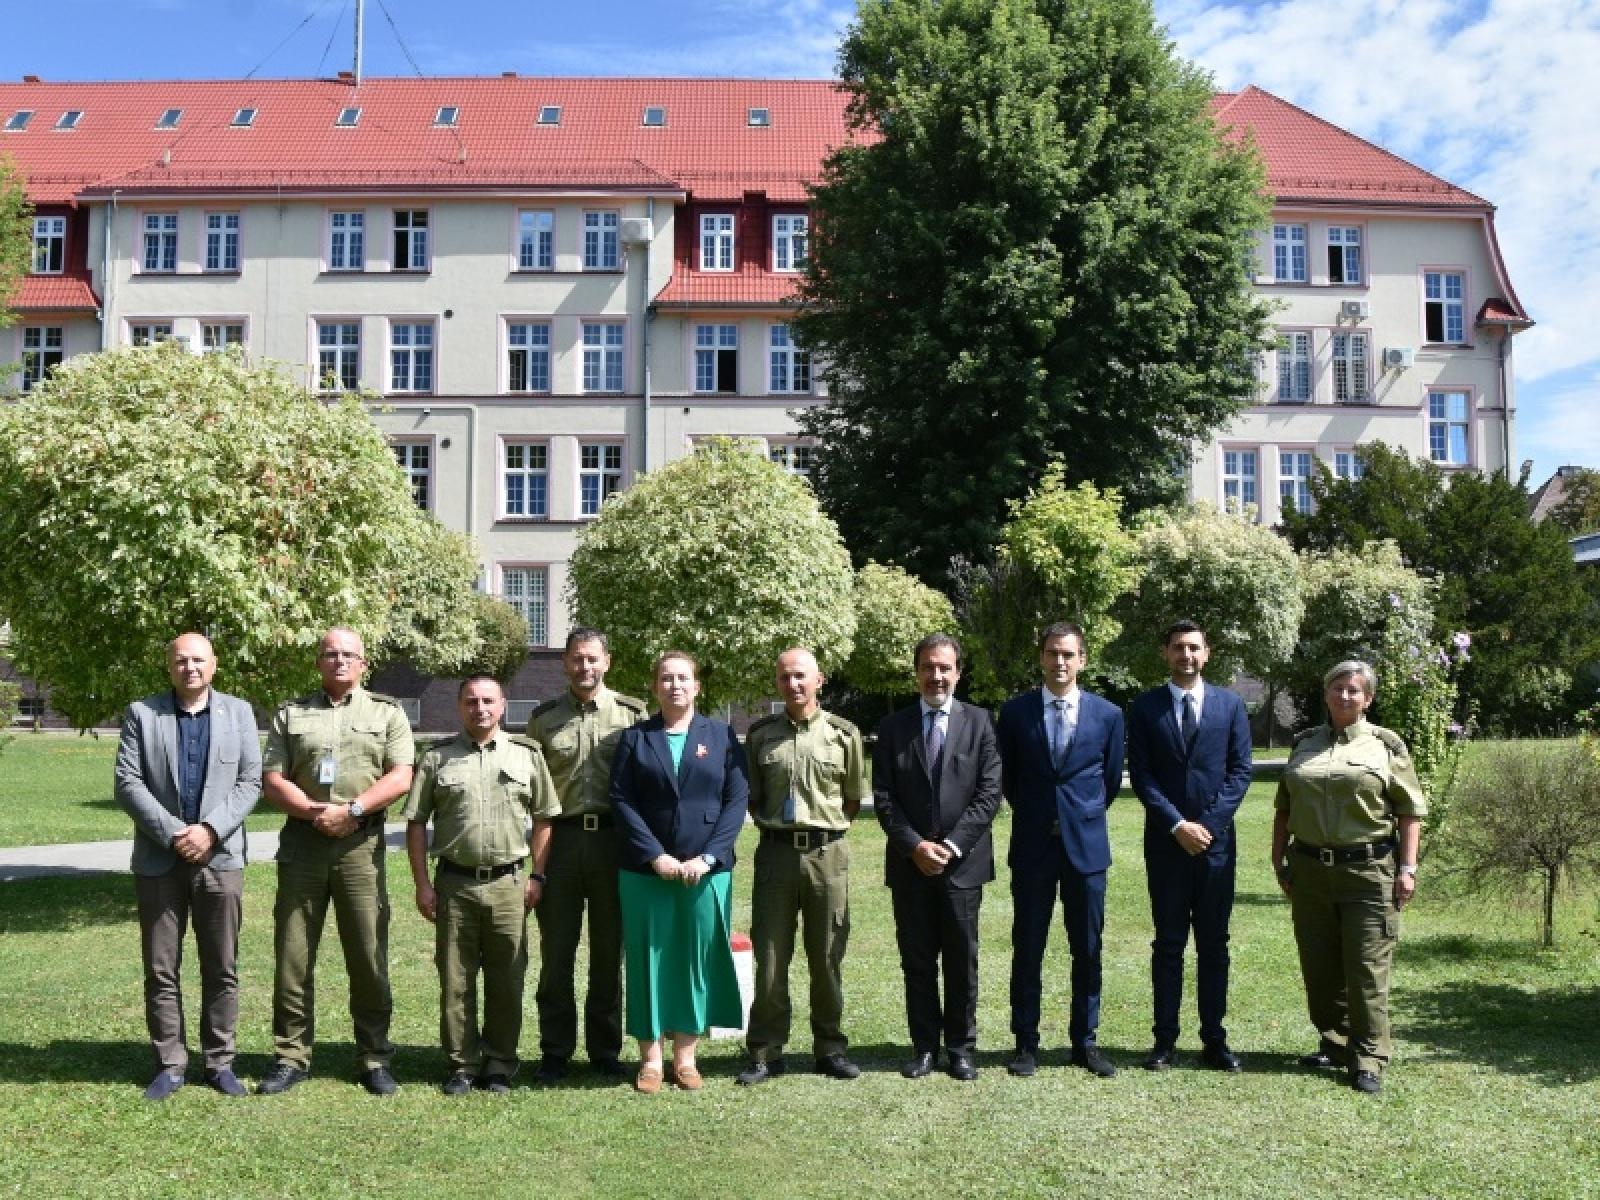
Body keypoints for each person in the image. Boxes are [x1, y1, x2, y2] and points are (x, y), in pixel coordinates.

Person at [258, 627, 415, 1096]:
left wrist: (353, 811)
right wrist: (313, 812)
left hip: (360, 847)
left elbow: (402, 774)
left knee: (367, 953)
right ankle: (291, 1056)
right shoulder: (291, 713)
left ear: (364, 663)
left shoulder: (387, 712)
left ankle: (373, 1056)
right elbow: (272, 778)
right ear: (318, 661)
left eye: (349, 654)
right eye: (331, 654)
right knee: (293, 953)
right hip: (303, 845)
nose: (340, 661)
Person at [113, 632, 262, 1100]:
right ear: (169, 665)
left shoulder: (238, 712)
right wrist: (177, 833)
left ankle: (220, 1063)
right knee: (161, 968)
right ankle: (171, 1063)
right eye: (181, 660)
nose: (190, 668)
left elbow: (251, 781)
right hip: (161, 860)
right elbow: (127, 782)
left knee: (222, 966)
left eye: (198, 660)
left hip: (221, 858)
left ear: (213, 664)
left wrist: (210, 830)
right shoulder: (143, 714)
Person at [1271, 660, 1426, 1095]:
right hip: (1310, 871)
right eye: (1337, 688)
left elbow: (1409, 811)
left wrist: (1408, 869)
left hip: (1369, 871)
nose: (1344, 696)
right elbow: (1284, 805)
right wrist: (1278, 860)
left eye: (1354, 690)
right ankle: (1336, 1043)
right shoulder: (1304, 744)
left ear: (1368, 698)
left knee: (1365, 969)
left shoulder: (1386, 746)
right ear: (1326, 694)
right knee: (1319, 969)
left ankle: (1369, 1059)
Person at [405, 675, 560, 1094]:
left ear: (503, 705)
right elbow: (416, 823)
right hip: (454, 883)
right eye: (471, 701)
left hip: (509, 883)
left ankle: (499, 1064)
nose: (480, 708)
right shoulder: (437, 759)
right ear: (459, 707)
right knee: (456, 979)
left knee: (507, 978)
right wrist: (422, 884)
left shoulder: (527, 755)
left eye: (488, 701)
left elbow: (546, 816)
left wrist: (538, 875)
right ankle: (462, 1064)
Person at [609, 651, 748, 1093]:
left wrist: (707, 858)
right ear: (654, 688)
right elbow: (622, 801)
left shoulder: (722, 736)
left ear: (697, 686)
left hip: (705, 872)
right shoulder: (635, 738)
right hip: (646, 873)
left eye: (683, 678)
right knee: (648, 959)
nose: (675, 686)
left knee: (693, 958)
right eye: (666, 679)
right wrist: (655, 856)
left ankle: (686, 1056)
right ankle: (650, 1059)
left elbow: (736, 801)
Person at [997, 622, 1124, 1079]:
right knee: (1027, 946)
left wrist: (1078, 815)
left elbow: (1108, 782)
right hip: (1032, 846)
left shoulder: (1108, 715)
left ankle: (1084, 1041)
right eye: (1052, 653)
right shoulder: (1014, 714)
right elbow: (1008, 778)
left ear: (1082, 660)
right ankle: (1025, 1042)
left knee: (1086, 948)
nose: (1059, 662)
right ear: (1041, 658)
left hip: (1086, 850)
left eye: (1068, 654)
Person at [737, 647, 869, 1086]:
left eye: (800, 677)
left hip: (827, 855)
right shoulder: (760, 737)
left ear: (819, 680)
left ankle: (829, 1047)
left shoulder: (844, 735)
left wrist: (822, 833)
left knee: (827, 954)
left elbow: (851, 799)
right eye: (784, 677)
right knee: (771, 955)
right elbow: (753, 799)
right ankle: (765, 1050)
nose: (792, 685)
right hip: (775, 853)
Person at [874, 633, 1002, 1082]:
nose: (937, 675)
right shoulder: (894, 728)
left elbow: (989, 794)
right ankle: (924, 1047)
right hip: (911, 867)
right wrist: (914, 846)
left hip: (962, 866)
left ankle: (962, 1048)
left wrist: (950, 847)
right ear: (917, 671)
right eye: (928, 666)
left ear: (958, 672)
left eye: (945, 667)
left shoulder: (981, 723)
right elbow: (885, 797)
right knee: (918, 961)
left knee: (962, 960)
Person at [1127, 619, 1253, 1072]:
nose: (1186, 655)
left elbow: (1241, 772)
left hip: (1215, 848)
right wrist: (1178, 825)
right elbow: (1141, 776)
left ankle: (1214, 1039)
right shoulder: (1145, 709)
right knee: (1168, 944)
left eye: (1194, 648)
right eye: (1178, 647)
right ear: (1166, 652)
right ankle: (1164, 1040)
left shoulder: (1231, 706)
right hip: (1166, 846)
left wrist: (1208, 826)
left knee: (1214, 944)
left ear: (1207, 653)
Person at [524, 628, 646, 1084]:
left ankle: (604, 1050)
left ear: (607, 662)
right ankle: (555, 1050)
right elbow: (536, 793)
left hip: (615, 842)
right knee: (557, 952)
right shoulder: (543, 720)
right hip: (561, 842)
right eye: (576, 659)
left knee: (608, 950)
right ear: (565, 664)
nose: (585, 667)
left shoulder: (632, 715)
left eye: (592, 659)